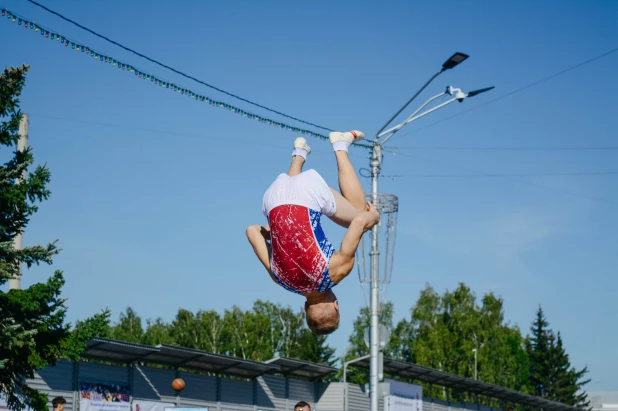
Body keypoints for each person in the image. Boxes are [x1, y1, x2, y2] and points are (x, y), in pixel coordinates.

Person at [246, 130, 380, 335]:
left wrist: (374, 218)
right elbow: (252, 230)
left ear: (336, 305)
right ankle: (299, 153)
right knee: (292, 194)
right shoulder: (280, 279)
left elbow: (360, 221)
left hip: (307, 193)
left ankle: (341, 145)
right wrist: (274, 233)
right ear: (305, 308)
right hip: (273, 198)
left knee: (360, 212)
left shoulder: (336, 273)